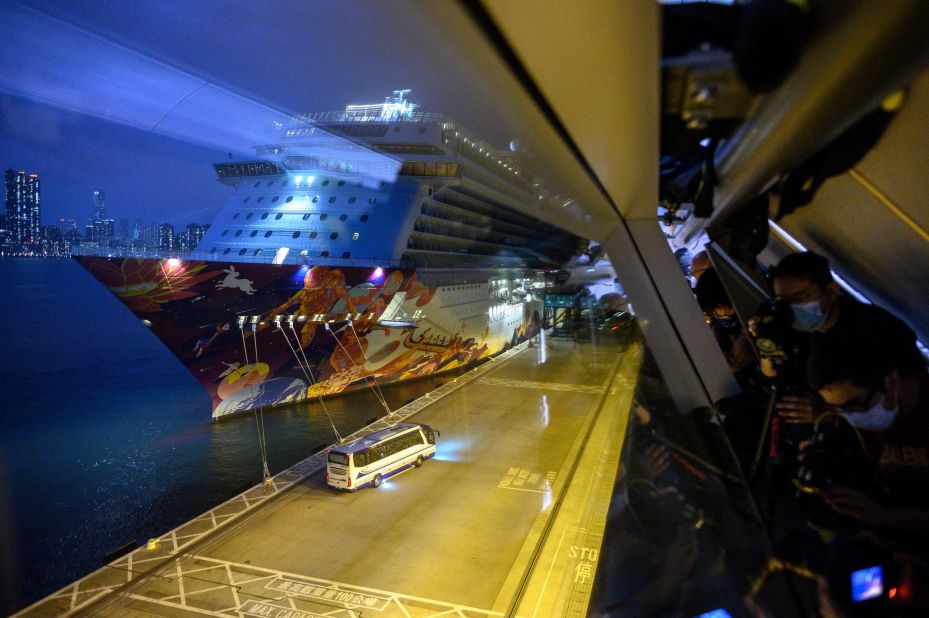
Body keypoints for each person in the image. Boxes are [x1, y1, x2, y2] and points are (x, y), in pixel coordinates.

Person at [757, 251, 922, 425]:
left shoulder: (874, 328)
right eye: (784, 302)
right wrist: (767, 343)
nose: (793, 308)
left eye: (800, 298)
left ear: (831, 290)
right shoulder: (797, 330)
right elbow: (774, 379)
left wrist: (828, 413)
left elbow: (910, 389)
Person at [807, 331, 929, 540]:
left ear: (892, 381)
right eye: (839, 409)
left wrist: (886, 517)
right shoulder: (866, 418)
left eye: (855, 405)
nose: (851, 416)